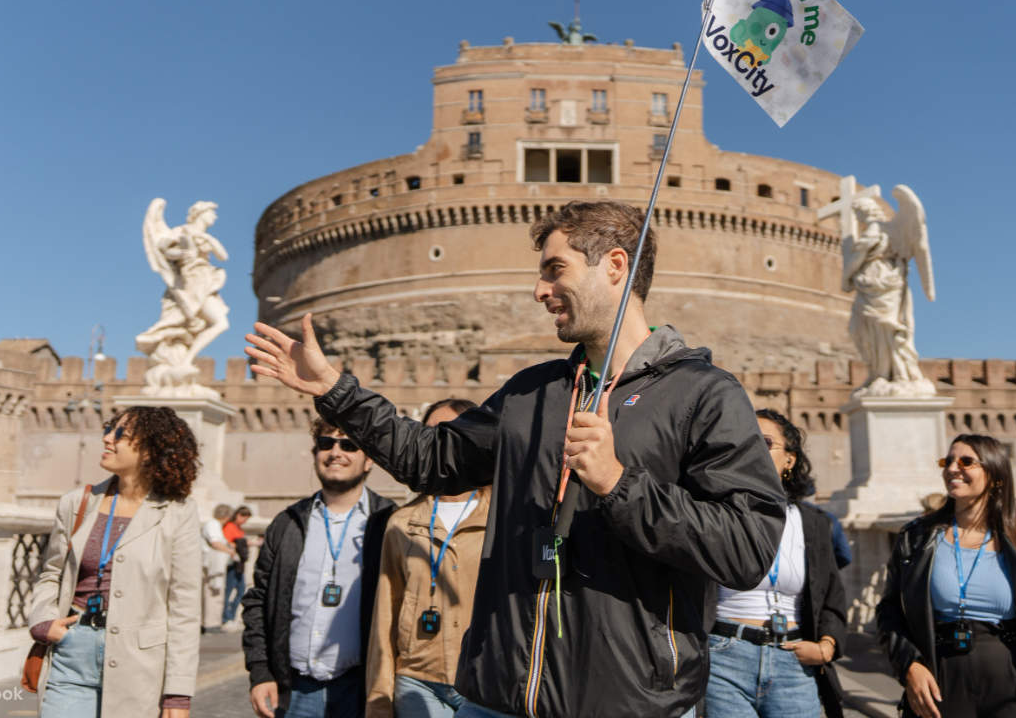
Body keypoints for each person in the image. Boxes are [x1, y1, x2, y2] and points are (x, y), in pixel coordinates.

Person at [245, 200, 786, 718]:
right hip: (498, 697)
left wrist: (620, 484)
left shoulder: (703, 395)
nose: (539, 290)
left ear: (616, 265)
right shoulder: (531, 393)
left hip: (630, 703)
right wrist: (336, 391)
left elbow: (746, 548)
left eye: (556, 270)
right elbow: (429, 460)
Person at [875, 434, 1016, 718]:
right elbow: (889, 611)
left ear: (994, 475)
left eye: (966, 462)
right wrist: (909, 665)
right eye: (948, 461)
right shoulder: (916, 537)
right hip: (943, 680)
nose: (952, 468)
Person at [27, 406, 202, 717]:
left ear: (150, 450)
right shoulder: (77, 503)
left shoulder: (178, 513)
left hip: (140, 666)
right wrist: (43, 621)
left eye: (121, 434)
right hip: (72, 653)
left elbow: (184, 607)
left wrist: (178, 693)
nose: (107, 438)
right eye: (109, 429)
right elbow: (51, 573)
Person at [241, 418, 396, 718]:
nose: (336, 452)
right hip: (295, 689)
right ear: (315, 454)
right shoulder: (287, 523)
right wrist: (260, 672)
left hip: (362, 689)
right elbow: (258, 600)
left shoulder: (389, 523)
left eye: (349, 445)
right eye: (326, 443)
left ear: (369, 461)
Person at [705, 409, 846, 718]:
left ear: (790, 460)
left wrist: (827, 646)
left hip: (794, 660)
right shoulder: (714, 512)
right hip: (724, 655)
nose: (753, 449)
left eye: (765, 442)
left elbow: (832, 594)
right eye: (745, 441)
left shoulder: (815, 523)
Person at [368, 398, 489, 718]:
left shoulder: (503, 518)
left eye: (452, 433)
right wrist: (379, 697)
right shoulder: (402, 523)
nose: (440, 444)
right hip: (417, 681)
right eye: (431, 434)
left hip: (486, 682)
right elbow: (385, 616)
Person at [202, 504, 236, 632]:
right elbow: (215, 543)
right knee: (213, 593)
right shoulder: (213, 524)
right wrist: (230, 551)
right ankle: (211, 624)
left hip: (216, 565)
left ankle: (213, 622)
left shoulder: (215, 525)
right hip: (213, 566)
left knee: (215, 593)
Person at [223, 505, 252, 626]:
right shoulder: (230, 527)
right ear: (238, 515)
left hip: (240, 563)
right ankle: (226, 618)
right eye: (244, 518)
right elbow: (226, 542)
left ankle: (232, 615)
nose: (245, 521)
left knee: (241, 590)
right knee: (229, 590)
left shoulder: (239, 528)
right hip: (232, 562)